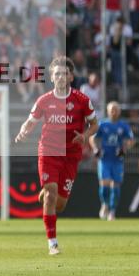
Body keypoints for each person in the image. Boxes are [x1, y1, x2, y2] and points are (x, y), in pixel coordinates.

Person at [14, 56, 98, 256]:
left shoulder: (82, 100)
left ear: (71, 77)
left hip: (71, 155)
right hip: (49, 150)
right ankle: (52, 243)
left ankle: (46, 194)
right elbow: (30, 120)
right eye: (57, 73)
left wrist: (85, 136)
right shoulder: (44, 100)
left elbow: (95, 124)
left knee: (59, 204)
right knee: (51, 195)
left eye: (64, 73)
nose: (61, 77)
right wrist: (23, 131)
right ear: (52, 77)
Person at [90, 102, 134, 221]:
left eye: (116, 109)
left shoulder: (123, 126)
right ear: (108, 111)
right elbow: (92, 138)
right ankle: (105, 204)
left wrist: (125, 149)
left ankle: (112, 211)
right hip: (105, 160)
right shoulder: (102, 124)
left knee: (116, 186)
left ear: (119, 112)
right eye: (112, 109)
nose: (114, 112)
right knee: (105, 185)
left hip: (117, 160)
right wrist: (95, 149)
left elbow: (131, 140)